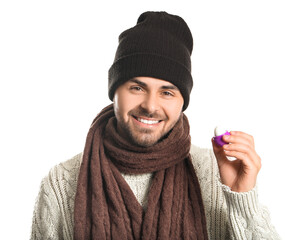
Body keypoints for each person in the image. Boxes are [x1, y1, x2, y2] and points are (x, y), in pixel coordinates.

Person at [31, 11, 281, 240]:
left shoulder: (216, 174)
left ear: (182, 102)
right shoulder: (61, 184)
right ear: (113, 91)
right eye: (137, 88)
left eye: (167, 92)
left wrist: (242, 199)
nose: (151, 106)